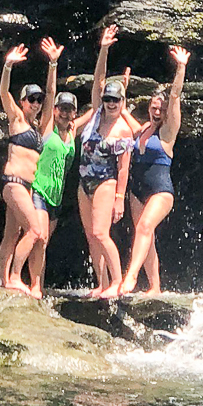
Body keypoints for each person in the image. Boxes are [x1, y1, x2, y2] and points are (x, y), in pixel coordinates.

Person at [120, 46, 190, 297]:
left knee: (144, 227)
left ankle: (130, 278)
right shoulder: (142, 130)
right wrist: (123, 90)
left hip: (160, 190)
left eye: (160, 108)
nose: (157, 111)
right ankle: (154, 287)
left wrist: (180, 68)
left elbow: (174, 97)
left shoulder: (167, 132)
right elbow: (121, 112)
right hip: (137, 190)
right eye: (154, 107)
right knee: (144, 236)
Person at [76, 26, 136, 299]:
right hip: (84, 182)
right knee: (90, 236)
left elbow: (124, 167)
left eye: (116, 100)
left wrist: (120, 198)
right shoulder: (96, 114)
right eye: (108, 99)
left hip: (105, 182)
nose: (111, 103)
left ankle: (117, 281)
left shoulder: (123, 129)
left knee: (101, 232)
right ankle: (101, 284)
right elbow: (98, 80)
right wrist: (103, 49)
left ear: (123, 102)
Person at [0, 39, 61, 293]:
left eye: (38, 100)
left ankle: (3, 280)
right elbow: (3, 93)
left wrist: (53, 64)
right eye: (31, 99)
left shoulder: (38, 127)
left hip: (26, 187)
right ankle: (14, 276)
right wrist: (8, 66)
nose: (35, 103)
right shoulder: (16, 119)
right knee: (35, 231)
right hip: (13, 184)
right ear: (23, 101)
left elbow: (52, 94)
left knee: (12, 234)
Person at [10, 86, 77, 299]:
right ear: (55, 110)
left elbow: (96, 108)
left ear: (74, 112)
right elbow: (50, 92)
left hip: (56, 196)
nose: (65, 113)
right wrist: (53, 65)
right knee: (37, 235)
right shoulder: (48, 128)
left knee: (43, 241)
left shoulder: (73, 132)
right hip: (39, 189)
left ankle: (37, 284)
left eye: (69, 109)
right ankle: (19, 277)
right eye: (61, 108)